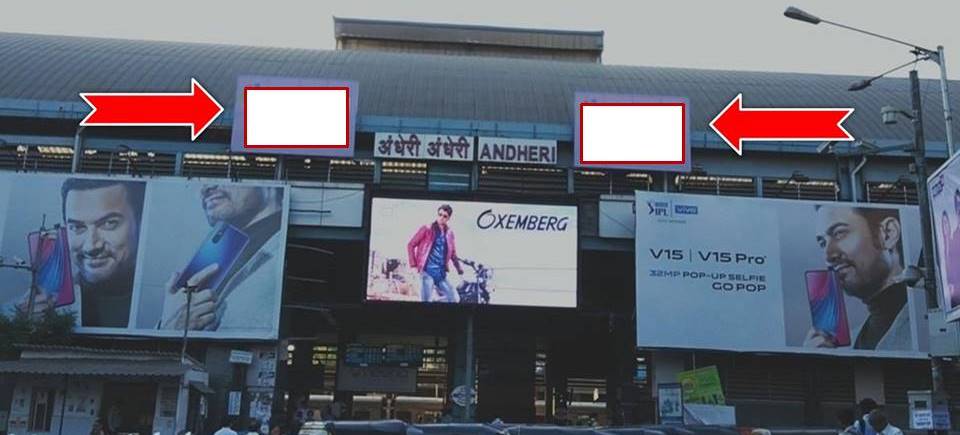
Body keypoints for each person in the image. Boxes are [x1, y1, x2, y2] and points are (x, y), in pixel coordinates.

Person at [11, 178, 145, 328]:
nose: (91, 246)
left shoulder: (166, 306)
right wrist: (26, 326)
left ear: (141, 222)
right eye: (77, 227)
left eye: (109, 223)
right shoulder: (30, 309)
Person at [161, 184, 284, 331]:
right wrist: (168, 327)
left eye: (228, 172)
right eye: (201, 179)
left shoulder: (284, 252)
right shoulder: (215, 251)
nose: (205, 187)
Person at [806, 206, 910, 350]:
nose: (828, 256)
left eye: (839, 233)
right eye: (823, 243)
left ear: (888, 234)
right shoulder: (849, 344)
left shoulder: (927, 324)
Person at [407, 204, 464, 303]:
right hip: (426, 272)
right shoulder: (427, 228)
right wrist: (413, 265)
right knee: (425, 302)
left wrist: (459, 269)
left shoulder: (450, 233)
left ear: (449, 218)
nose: (441, 218)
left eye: (444, 216)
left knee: (455, 299)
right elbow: (411, 245)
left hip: (440, 273)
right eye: (440, 214)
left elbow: (453, 254)